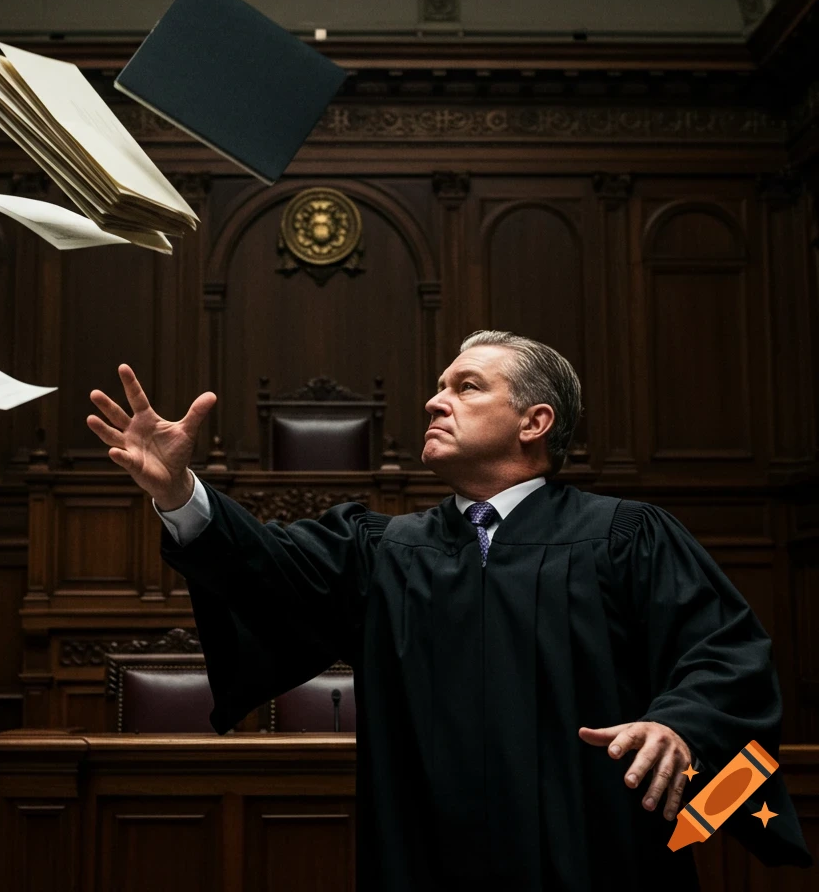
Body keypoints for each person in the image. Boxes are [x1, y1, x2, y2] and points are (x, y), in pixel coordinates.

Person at [86, 330, 812, 891]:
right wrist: (179, 493)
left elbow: (727, 655)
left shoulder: (627, 537)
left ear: (534, 421)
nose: (435, 401)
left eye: (466, 387)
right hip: (425, 863)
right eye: (438, 387)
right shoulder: (386, 550)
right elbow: (264, 570)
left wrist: (679, 725)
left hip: (598, 861)